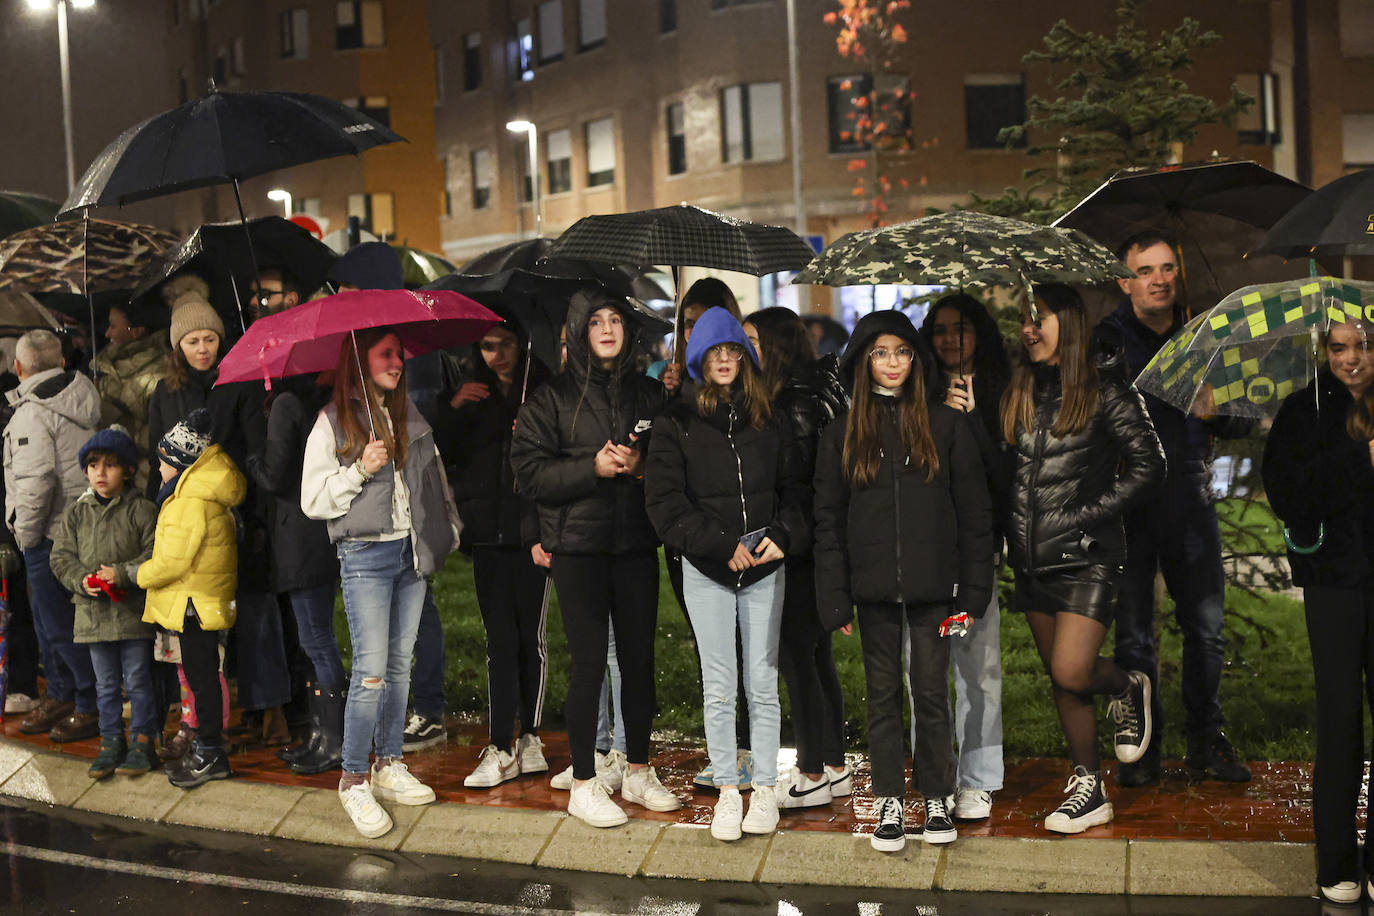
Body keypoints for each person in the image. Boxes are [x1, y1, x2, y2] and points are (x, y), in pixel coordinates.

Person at [813, 311, 993, 852]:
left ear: (916, 361)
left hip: (935, 591)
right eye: (880, 353)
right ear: (864, 362)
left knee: (933, 693)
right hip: (871, 594)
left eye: (902, 352)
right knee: (883, 694)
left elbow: (974, 514)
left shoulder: (945, 425)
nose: (892, 363)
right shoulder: (842, 433)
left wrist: (974, 590)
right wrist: (835, 598)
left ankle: (936, 795)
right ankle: (890, 797)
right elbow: (828, 519)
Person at [511, 288, 678, 828]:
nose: (607, 329)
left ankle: (638, 768)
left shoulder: (650, 394)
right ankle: (584, 781)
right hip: (578, 550)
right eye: (596, 322)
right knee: (587, 666)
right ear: (580, 331)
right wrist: (593, 469)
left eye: (615, 320)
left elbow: (676, 460)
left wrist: (643, 464)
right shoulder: (551, 399)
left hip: (634, 544)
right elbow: (528, 473)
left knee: (638, 661)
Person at [1094, 232, 1253, 786]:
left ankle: (1207, 741)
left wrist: (1217, 412)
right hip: (1132, 506)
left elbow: (1242, 415)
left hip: (1190, 500)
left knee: (1206, 630)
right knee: (1135, 636)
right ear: (1125, 281)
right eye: (1145, 270)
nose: (1159, 279)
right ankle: (1143, 751)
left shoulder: (1202, 332)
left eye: (1166, 268)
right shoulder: (1107, 342)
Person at [1005, 285, 1163, 834]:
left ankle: (1126, 687)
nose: (1029, 329)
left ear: (1067, 324)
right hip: (1030, 559)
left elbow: (1149, 466)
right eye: (1024, 319)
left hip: (1087, 556)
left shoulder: (1106, 390)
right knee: (1061, 679)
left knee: (1074, 667)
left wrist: (1082, 515)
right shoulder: (1020, 388)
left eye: (1039, 319)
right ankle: (1088, 785)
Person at [646, 306, 808, 841]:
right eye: (715, 351)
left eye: (733, 350)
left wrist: (780, 536)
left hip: (763, 568)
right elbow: (666, 504)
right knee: (718, 685)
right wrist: (718, 546)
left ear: (745, 356)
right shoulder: (677, 422)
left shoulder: (769, 418)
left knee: (762, 682)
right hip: (708, 569)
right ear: (698, 358)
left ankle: (764, 789)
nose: (725, 360)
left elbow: (794, 492)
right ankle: (728, 793)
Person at [301, 327, 458, 839]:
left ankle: (388, 763)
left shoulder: (408, 415)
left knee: (398, 666)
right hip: (366, 553)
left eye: (399, 353)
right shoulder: (333, 422)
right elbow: (314, 501)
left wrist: (447, 531)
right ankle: (352, 777)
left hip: (410, 554)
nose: (397, 360)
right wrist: (359, 471)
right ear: (360, 359)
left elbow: (434, 481)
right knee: (370, 670)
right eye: (386, 353)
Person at [146, 274, 288, 747]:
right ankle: (202, 721)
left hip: (235, 515)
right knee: (195, 633)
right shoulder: (165, 394)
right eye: (192, 341)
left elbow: (250, 446)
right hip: (184, 518)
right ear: (177, 345)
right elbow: (158, 458)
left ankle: (267, 708)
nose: (202, 348)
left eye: (209, 339)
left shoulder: (237, 380)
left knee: (252, 612)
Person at [1261, 319, 1374, 905]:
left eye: (1364, 345)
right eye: (1339, 347)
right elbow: (1285, 492)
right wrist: (1361, 459)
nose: (1352, 358)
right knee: (1340, 720)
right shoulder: (1304, 409)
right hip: (1333, 582)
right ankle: (1336, 862)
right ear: (1323, 351)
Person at [436, 317, 552, 788]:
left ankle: (533, 736)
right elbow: (447, 453)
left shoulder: (542, 389)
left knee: (531, 639)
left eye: (505, 345)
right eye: (487, 346)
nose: (496, 355)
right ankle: (501, 741)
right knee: (499, 641)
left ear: (521, 344)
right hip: (486, 533)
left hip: (532, 535)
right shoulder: (471, 392)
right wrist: (452, 407)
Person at [746, 307, 852, 808]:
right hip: (817, 542)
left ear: (775, 346)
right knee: (815, 654)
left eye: (751, 340)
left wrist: (787, 531)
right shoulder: (820, 388)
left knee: (794, 656)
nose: (744, 349)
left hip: (801, 545)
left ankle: (810, 772)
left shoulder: (795, 403)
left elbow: (801, 481)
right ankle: (835, 763)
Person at [915, 293, 1011, 821]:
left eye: (963, 329)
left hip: (975, 550)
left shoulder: (1001, 392)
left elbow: (1004, 480)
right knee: (923, 668)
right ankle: (933, 771)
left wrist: (974, 421)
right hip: (926, 550)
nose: (951, 339)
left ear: (981, 336)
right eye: (942, 330)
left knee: (978, 665)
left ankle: (979, 777)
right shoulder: (918, 392)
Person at [137, 408, 245, 788]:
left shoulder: (189, 500)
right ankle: (209, 749)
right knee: (203, 679)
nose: (159, 468)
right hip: (201, 599)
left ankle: (212, 752)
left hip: (194, 604)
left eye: (163, 461)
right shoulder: (198, 491)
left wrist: (138, 574)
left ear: (180, 463)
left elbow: (171, 562)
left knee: (203, 681)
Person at [6, 328, 102, 744]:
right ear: (62, 361)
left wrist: (25, 535)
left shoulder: (31, 413)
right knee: (60, 624)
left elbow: (36, 480)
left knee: (59, 625)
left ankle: (88, 703)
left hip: (47, 534)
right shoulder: (85, 395)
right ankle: (63, 693)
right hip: (83, 527)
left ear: (19, 367)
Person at [246, 370, 343, 775]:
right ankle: (322, 735)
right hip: (318, 535)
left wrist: (253, 450)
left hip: (299, 537)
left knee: (316, 640)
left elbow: (273, 473)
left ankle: (333, 739)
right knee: (317, 638)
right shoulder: (328, 402)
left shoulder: (288, 404)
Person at [49, 427, 159, 779]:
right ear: (85, 471)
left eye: (110, 465)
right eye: (94, 465)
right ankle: (111, 741)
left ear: (126, 470)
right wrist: (81, 580)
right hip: (93, 617)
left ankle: (142, 741)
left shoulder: (141, 510)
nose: (100, 473)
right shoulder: (76, 514)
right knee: (106, 685)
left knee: (139, 681)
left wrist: (123, 574)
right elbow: (60, 557)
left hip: (132, 615)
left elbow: (155, 554)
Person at [91, 299, 169, 490]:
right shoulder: (104, 365)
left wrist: (121, 422)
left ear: (137, 331)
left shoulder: (161, 370)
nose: (107, 333)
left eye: (113, 326)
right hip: (113, 479)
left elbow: (161, 433)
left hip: (146, 479)